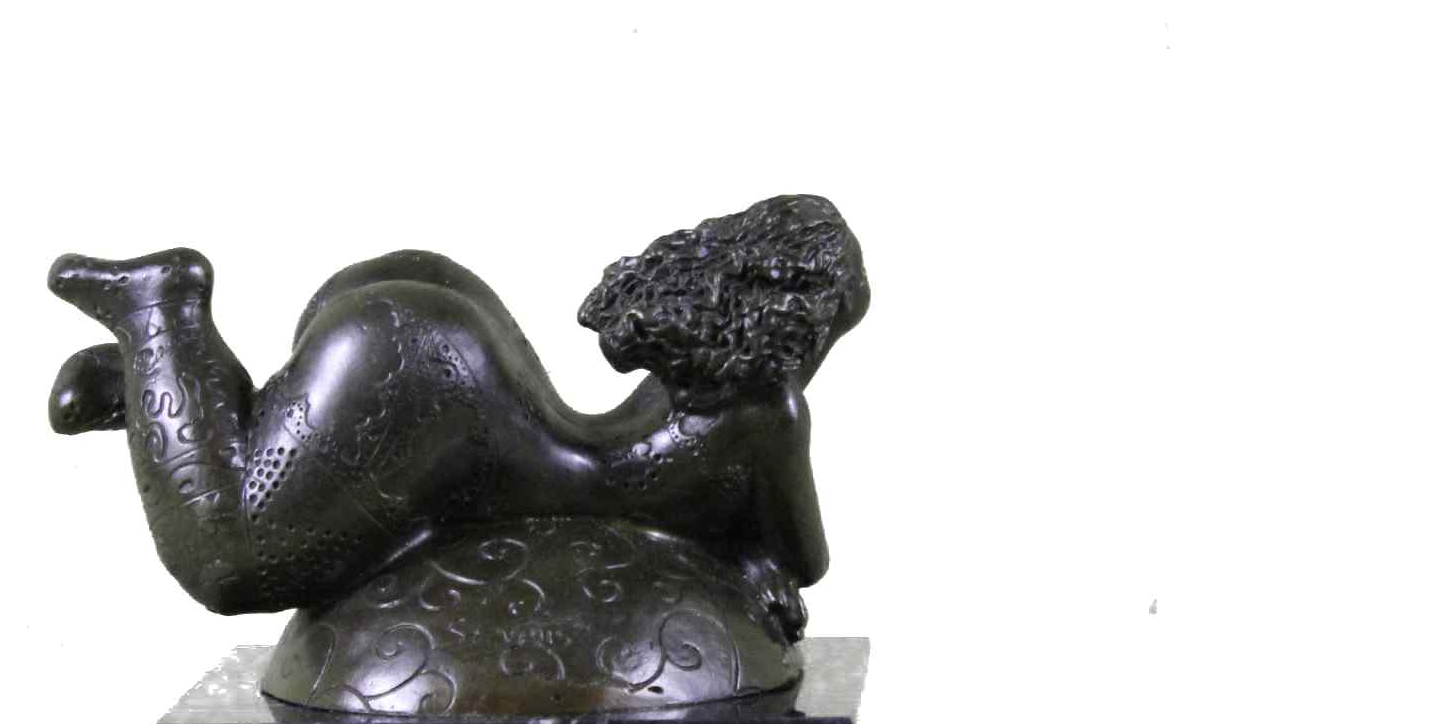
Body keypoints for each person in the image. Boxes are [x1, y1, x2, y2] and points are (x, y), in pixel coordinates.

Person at [47, 193, 867, 636]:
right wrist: (756, 563)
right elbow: (807, 558)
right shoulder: (770, 414)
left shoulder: (703, 391)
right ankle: (160, 309)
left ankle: (154, 385)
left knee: (260, 503)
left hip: (437, 360)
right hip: (428, 389)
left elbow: (751, 548)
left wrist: (744, 563)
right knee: (228, 560)